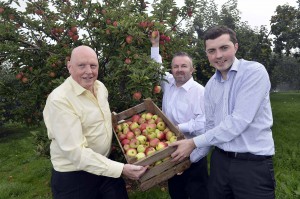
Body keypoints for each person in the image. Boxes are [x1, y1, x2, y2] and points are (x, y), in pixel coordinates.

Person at [170, 25, 276, 199]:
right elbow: (210, 127)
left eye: (224, 48)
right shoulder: (211, 86)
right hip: (220, 163)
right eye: (212, 50)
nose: (218, 56)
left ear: (236, 47)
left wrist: (193, 143)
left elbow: (238, 121)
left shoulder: (254, 72)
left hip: (252, 165)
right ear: (206, 54)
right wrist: (187, 161)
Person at [43, 45, 148, 199]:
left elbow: (100, 117)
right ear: (69, 67)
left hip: (104, 165)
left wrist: (124, 124)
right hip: (75, 176)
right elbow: (76, 153)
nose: (89, 71)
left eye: (93, 65)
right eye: (82, 66)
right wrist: (121, 169)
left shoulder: (100, 88)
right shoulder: (60, 100)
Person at [150, 33, 209, 199]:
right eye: (175, 66)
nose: (179, 70)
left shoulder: (199, 92)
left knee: (198, 193)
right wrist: (155, 45)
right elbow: (156, 69)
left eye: (184, 66)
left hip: (194, 151)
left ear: (192, 69)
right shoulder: (168, 83)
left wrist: (178, 128)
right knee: (176, 192)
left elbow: (203, 124)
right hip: (172, 150)